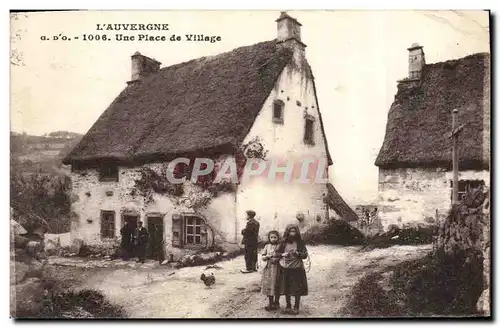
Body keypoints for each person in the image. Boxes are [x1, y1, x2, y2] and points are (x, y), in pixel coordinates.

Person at [276, 224, 309, 315]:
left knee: (297, 288)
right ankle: (288, 306)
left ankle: (296, 306)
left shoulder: (300, 242)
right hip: (285, 268)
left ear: (297, 232)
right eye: (290, 231)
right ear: (287, 232)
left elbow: (305, 255)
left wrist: (298, 253)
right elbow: (277, 253)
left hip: (297, 268)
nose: (292, 233)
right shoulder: (283, 242)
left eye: (294, 231)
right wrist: (283, 254)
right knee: (286, 287)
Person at [261, 230, 282, 311]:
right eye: (271, 237)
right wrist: (266, 257)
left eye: (275, 237)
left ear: (278, 238)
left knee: (276, 284)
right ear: (269, 238)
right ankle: (270, 303)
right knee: (270, 285)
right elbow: (263, 256)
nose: (273, 239)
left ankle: (276, 302)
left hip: (277, 268)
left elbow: (281, 256)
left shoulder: (280, 246)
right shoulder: (267, 246)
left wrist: (276, 259)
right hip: (269, 269)